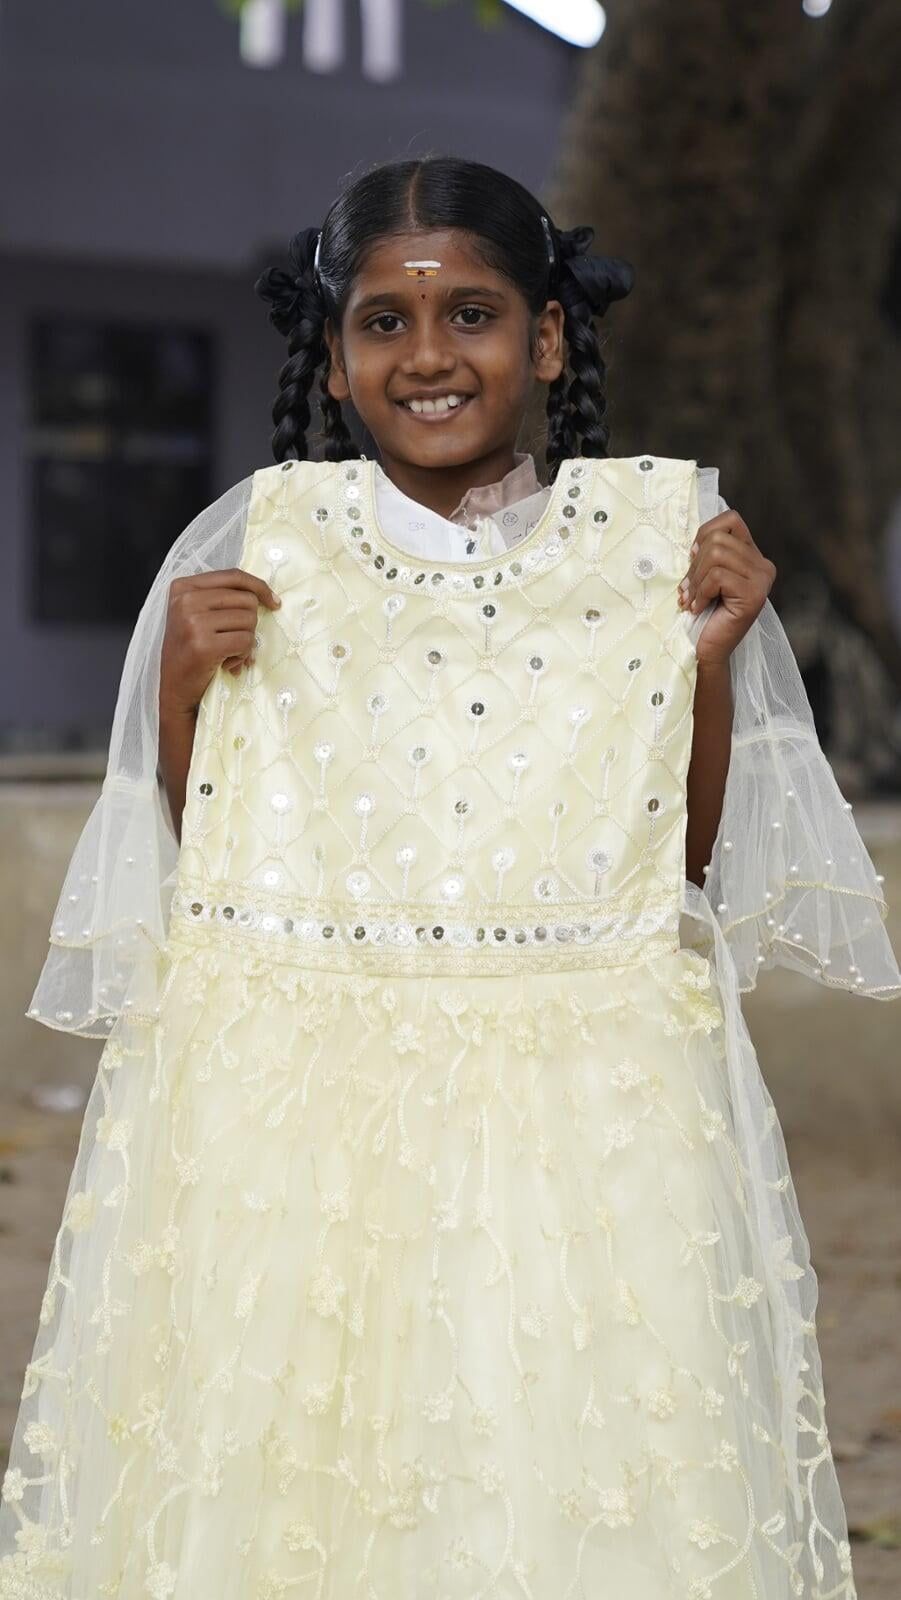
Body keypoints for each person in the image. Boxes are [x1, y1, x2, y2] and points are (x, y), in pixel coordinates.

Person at [3, 155, 898, 1600]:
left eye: (471, 314)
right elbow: (196, 845)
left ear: (545, 337)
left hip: (579, 1121)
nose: (428, 355)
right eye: (383, 323)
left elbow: (664, 872)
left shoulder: (655, 550)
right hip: (292, 1116)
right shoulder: (257, 551)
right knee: (297, 1474)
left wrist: (703, 665)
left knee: (557, 1466)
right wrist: (180, 687)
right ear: (336, 356)